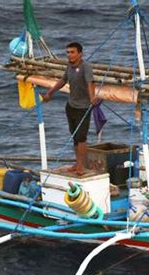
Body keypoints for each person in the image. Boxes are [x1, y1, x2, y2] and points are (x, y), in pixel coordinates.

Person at [43, 42, 97, 175]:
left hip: (83, 108)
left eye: (72, 52)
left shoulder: (86, 67)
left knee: (81, 137)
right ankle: (77, 162)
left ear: (80, 54)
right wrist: (50, 92)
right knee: (74, 136)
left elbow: (90, 83)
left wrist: (92, 98)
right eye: (68, 52)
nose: (69, 55)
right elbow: (63, 81)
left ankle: (81, 166)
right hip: (71, 106)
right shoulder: (69, 67)